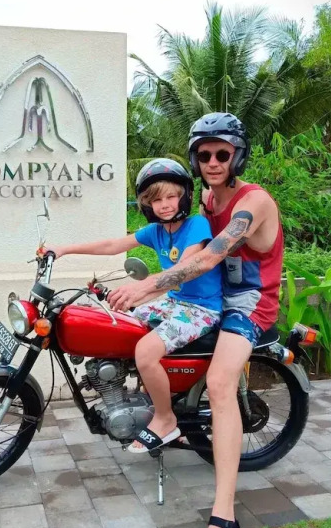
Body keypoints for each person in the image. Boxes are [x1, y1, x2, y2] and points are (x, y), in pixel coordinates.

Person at [108, 113, 283, 528]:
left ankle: (224, 518)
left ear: (238, 155)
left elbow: (208, 257)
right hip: (210, 296)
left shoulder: (253, 202)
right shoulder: (205, 198)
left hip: (249, 302)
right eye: (204, 154)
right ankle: (162, 410)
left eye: (223, 153)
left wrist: (148, 287)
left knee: (222, 384)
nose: (213, 161)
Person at [45, 158, 223, 453]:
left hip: (201, 309)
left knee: (145, 351)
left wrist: (141, 290)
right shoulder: (156, 231)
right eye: (156, 200)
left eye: (171, 196)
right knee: (118, 324)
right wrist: (64, 249)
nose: (164, 205)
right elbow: (113, 245)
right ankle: (147, 403)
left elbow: (185, 268)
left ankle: (165, 419)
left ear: (184, 196)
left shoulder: (196, 225)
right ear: (147, 204)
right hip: (175, 303)